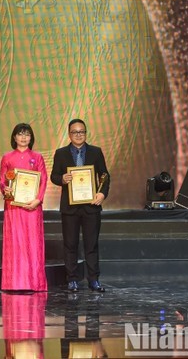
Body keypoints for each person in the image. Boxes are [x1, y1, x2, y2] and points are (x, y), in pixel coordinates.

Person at [50, 118, 110, 293]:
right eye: (75, 132)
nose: (78, 135)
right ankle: (72, 280)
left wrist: (102, 193)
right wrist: (62, 179)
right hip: (70, 207)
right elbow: (54, 175)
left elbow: (105, 175)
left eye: (82, 132)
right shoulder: (61, 153)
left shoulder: (95, 152)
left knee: (91, 245)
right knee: (70, 245)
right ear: (69, 134)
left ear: (86, 133)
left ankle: (94, 280)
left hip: (91, 206)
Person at [0, 123, 48, 292]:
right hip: (13, 207)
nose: (23, 137)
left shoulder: (37, 157)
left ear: (31, 138)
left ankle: (34, 283)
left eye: (27, 134)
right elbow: (2, 180)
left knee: (32, 243)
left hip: (32, 207)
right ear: (14, 137)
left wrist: (38, 200)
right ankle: (13, 283)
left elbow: (43, 180)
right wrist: (6, 189)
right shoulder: (7, 157)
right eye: (20, 134)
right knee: (15, 243)